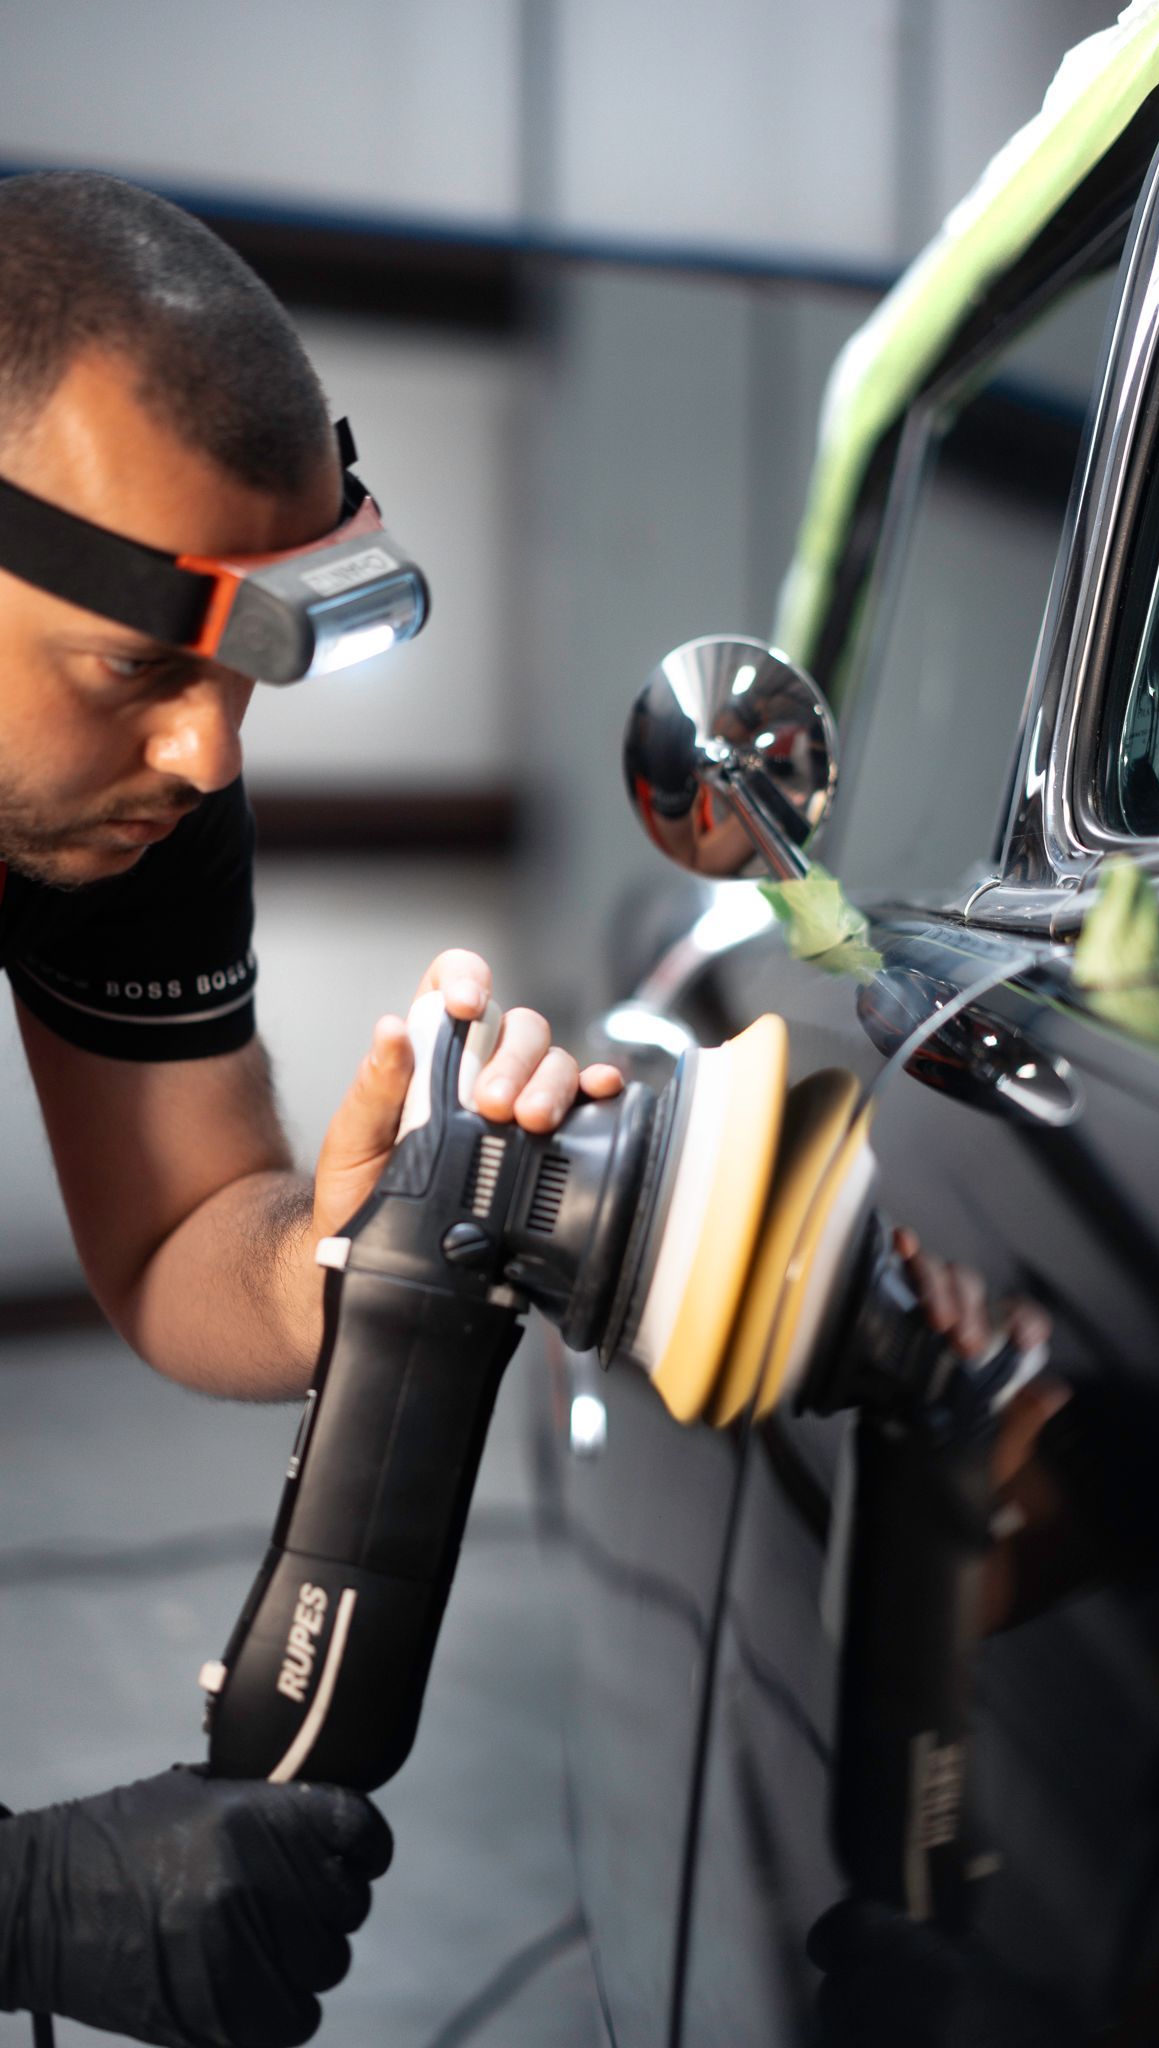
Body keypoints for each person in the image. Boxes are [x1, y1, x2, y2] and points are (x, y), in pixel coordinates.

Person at [0, 169, 621, 2046]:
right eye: (135, 665)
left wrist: (337, 1264)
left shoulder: (142, 782)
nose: (208, 749)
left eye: (246, 664)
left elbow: (182, 1233)